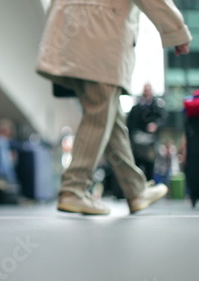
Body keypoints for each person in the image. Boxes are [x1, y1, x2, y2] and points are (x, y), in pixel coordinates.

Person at [36, 0, 192, 215]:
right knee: (99, 115)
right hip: (100, 36)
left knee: (112, 119)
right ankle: (74, 188)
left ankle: (134, 189)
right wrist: (177, 31)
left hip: (73, 35)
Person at [127, 83, 167, 180]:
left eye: (148, 90)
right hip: (137, 141)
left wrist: (155, 125)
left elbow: (163, 119)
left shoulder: (156, 107)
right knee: (137, 164)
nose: (146, 92)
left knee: (150, 164)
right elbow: (130, 123)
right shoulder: (136, 108)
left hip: (150, 142)